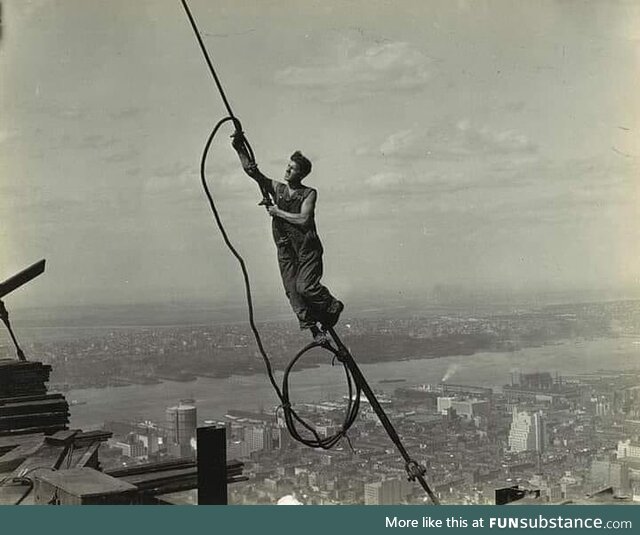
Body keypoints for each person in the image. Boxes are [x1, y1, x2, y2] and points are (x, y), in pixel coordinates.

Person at [232, 132, 343, 343]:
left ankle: (332, 305)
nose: (287, 169)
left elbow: (304, 220)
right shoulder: (278, 189)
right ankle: (315, 332)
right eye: (288, 166)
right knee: (293, 293)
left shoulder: (309, 193)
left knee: (306, 288)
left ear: (301, 174)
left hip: (306, 248)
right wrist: (239, 148)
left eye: (293, 168)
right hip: (285, 248)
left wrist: (277, 212)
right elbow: (254, 173)